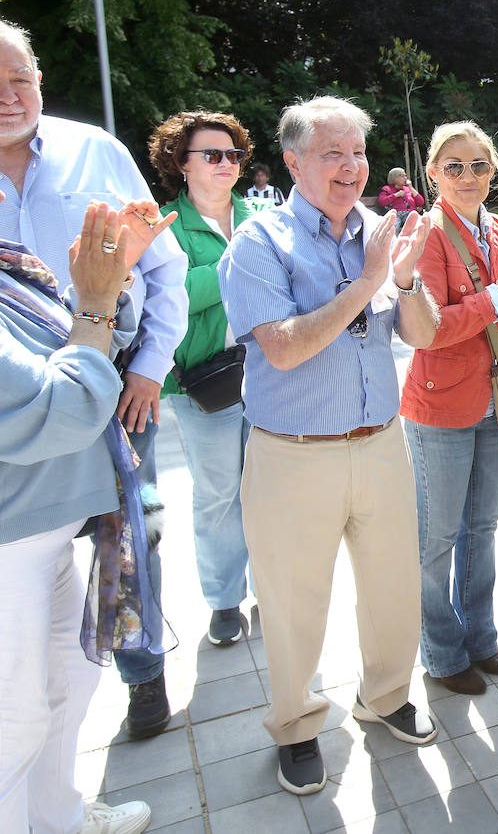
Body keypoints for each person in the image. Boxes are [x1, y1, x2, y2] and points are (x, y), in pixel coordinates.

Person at [217, 96, 440, 796]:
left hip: (380, 441)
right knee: (292, 600)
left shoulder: (379, 231)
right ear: (292, 161)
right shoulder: (258, 243)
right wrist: (370, 283)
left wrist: (401, 280)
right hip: (294, 452)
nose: (351, 167)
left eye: (358, 153)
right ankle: (297, 725)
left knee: (393, 584)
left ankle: (386, 693)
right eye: (332, 153)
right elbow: (282, 349)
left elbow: (423, 334)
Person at [0, 18, 188, 743]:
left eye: (20, 79)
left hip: (111, 391)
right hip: (17, 411)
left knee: (134, 537)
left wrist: (146, 370)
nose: (10, 97)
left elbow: (166, 272)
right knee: (30, 582)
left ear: (41, 79)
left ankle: (144, 676)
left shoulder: (96, 153)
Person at [1, 201, 153, 834]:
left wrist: (107, 285)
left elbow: (73, 348)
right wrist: (93, 302)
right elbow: (57, 408)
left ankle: (57, 818)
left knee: (68, 686)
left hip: (48, 533)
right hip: (14, 545)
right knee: (15, 723)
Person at [401, 121, 498, 696]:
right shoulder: (429, 234)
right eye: (455, 167)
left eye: (480, 166)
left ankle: (482, 637)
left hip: (497, 398)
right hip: (439, 404)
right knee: (438, 536)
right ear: (434, 173)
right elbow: (430, 329)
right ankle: (441, 651)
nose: (469, 177)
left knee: (483, 526)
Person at [147, 111, 260, 648]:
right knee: (219, 496)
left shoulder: (261, 215)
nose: (226, 164)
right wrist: (237, 262)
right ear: (181, 163)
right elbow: (173, 298)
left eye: (233, 155)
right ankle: (223, 601)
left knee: (270, 489)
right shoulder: (165, 226)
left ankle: (270, 586)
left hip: (270, 377)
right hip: (206, 386)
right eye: (212, 154)